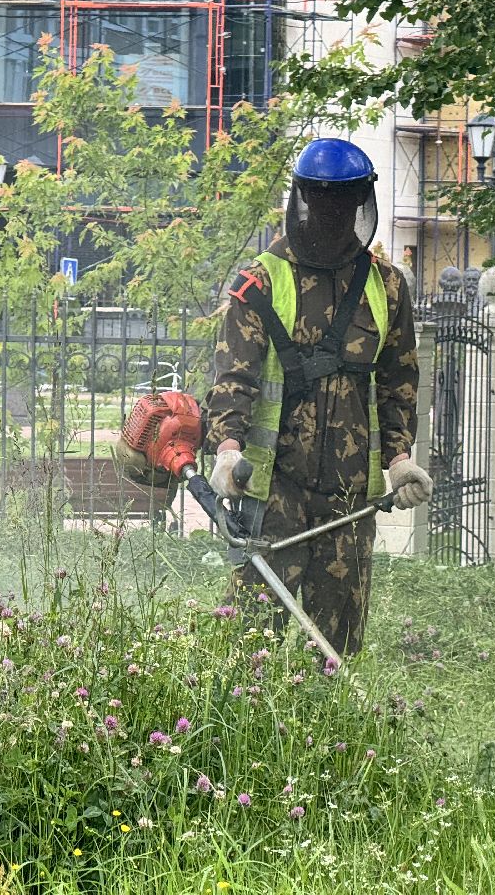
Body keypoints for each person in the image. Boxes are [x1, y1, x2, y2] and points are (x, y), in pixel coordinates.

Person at [203, 138, 431, 656]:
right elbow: (234, 378)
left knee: (336, 651)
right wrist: (227, 450)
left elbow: (398, 381)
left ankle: (325, 714)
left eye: (344, 201)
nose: (333, 212)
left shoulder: (387, 287)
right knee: (245, 649)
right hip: (272, 492)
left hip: (348, 501)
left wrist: (399, 460)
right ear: (304, 199)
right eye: (323, 199)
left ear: (360, 203)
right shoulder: (260, 283)